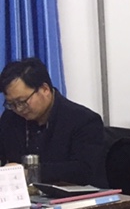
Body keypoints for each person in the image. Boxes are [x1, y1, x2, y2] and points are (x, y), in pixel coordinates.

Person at [0, 57, 107, 187]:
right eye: (11, 104)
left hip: (71, 196)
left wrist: (28, 172)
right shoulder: (10, 119)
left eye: (22, 101)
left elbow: (84, 170)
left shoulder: (84, 120)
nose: (19, 109)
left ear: (45, 89)